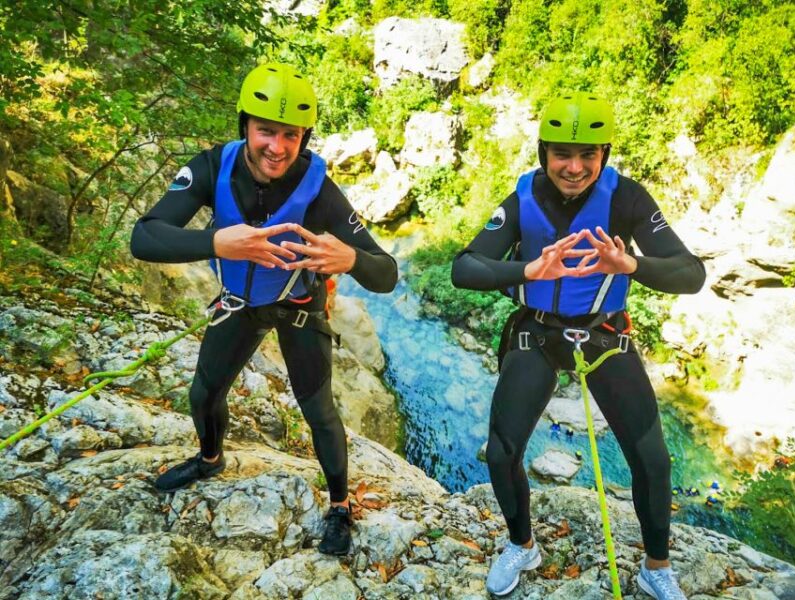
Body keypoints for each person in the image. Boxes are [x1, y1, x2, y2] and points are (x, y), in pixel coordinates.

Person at [130, 63, 398, 555]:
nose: (277, 146)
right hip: (239, 303)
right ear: (245, 128)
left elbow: (387, 273)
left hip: (298, 306)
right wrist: (217, 242)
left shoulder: (319, 192)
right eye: (266, 131)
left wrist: (350, 257)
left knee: (319, 411)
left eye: (290, 135)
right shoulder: (212, 168)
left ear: (304, 138)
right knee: (203, 394)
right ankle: (211, 459)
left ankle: (339, 506)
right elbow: (144, 237)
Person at [451, 92, 705, 598]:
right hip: (539, 332)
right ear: (544, 152)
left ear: (604, 155)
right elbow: (465, 267)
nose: (575, 167)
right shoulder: (523, 198)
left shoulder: (627, 198)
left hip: (604, 334)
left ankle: (656, 567)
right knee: (502, 453)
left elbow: (690, 273)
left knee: (652, 459)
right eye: (563, 154)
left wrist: (631, 265)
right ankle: (522, 545)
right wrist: (529, 269)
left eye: (588, 154)